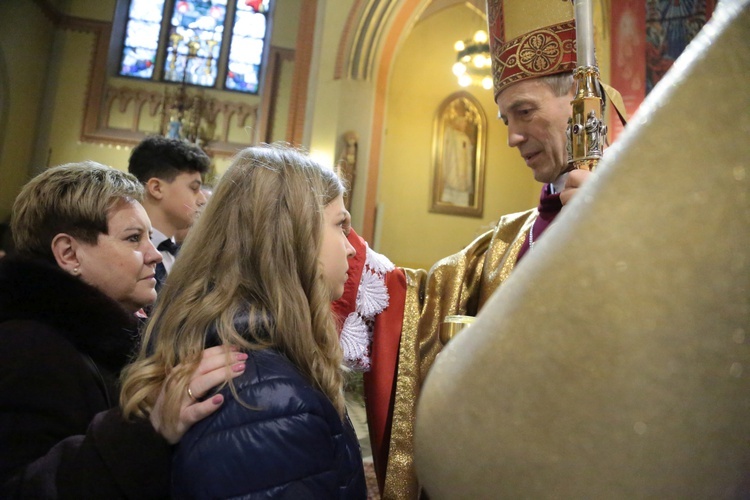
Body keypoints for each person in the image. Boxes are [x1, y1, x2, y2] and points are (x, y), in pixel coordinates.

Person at [332, 1, 615, 497]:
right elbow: (414, 302)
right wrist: (316, 233)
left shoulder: (651, 209)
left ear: (580, 103)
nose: (511, 136)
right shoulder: (512, 239)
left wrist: (618, 229)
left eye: (524, 112)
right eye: (505, 117)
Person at [120, 144, 367, 499]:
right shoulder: (264, 396)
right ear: (294, 236)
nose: (351, 247)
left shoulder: (254, 361)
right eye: (340, 225)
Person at [0, 161, 247, 498]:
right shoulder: (27, 350)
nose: (154, 255)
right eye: (133, 239)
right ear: (69, 253)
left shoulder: (104, 336)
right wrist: (150, 427)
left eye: (149, 237)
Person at [127, 135, 210, 290]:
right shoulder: (126, 254)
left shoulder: (187, 258)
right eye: (194, 188)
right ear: (156, 188)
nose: (202, 200)